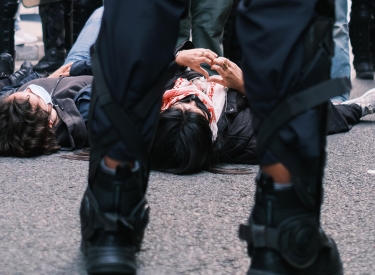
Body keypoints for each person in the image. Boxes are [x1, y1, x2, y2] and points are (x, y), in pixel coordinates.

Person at [80, 1, 351, 274]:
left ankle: (111, 219)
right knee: (281, 8)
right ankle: (287, 227)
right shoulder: (233, 128)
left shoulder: (223, 122)